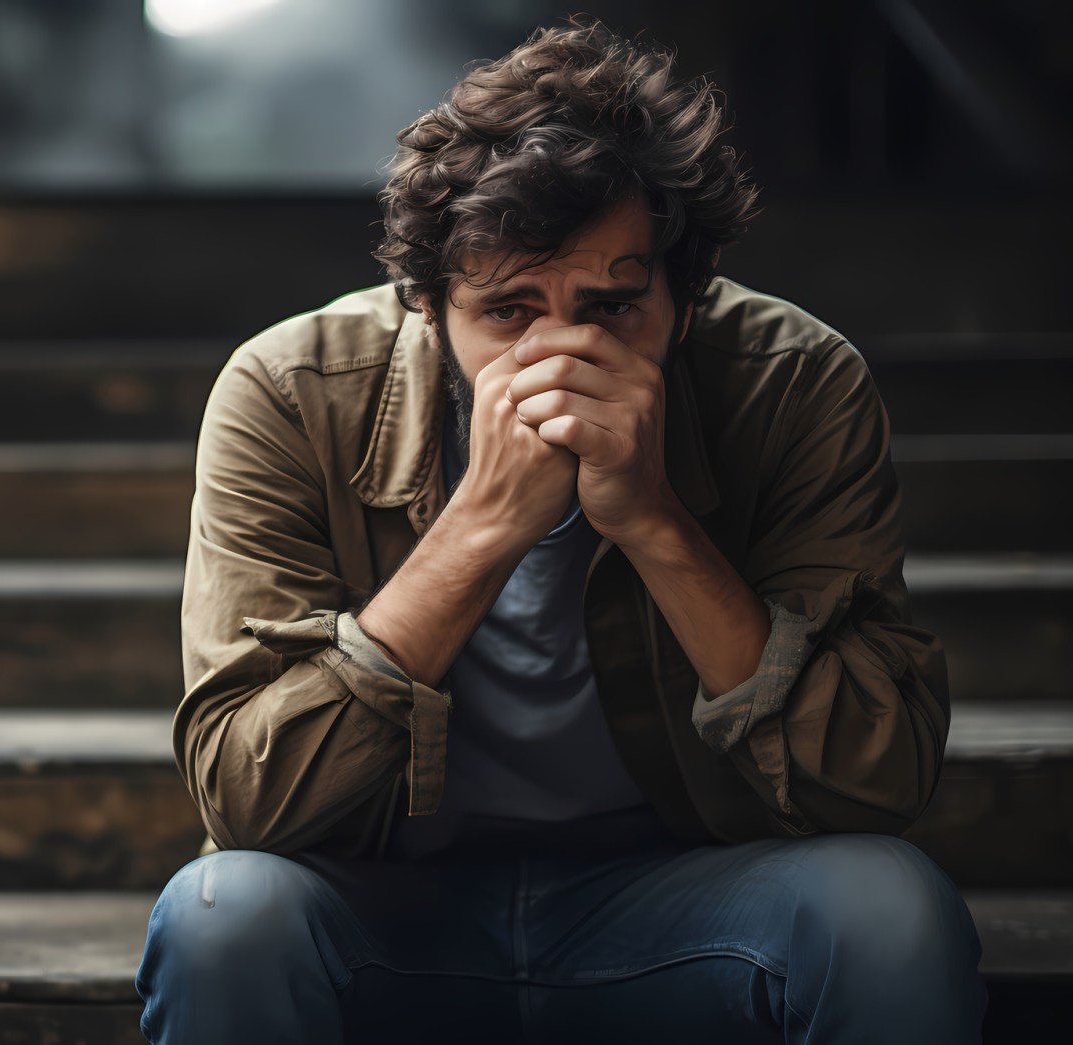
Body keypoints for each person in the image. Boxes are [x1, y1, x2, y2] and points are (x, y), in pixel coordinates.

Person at [136, 19, 985, 1044]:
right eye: (507, 311)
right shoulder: (288, 390)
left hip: (687, 894)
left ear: (684, 292)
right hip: (386, 899)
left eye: (612, 305)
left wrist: (656, 523)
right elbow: (246, 798)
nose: (560, 353)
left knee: (886, 908)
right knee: (224, 915)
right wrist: (483, 524)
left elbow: (876, 775)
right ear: (426, 301)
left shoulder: (790, 381)